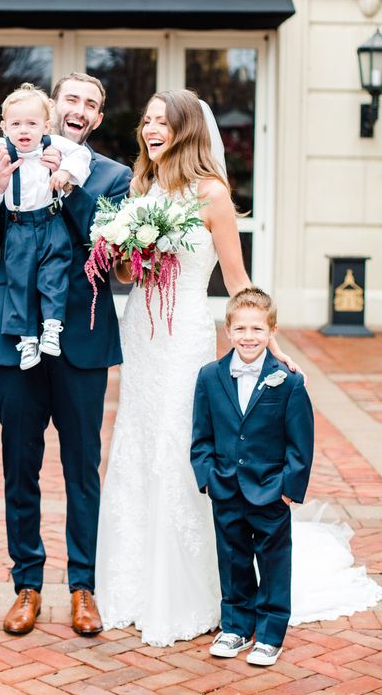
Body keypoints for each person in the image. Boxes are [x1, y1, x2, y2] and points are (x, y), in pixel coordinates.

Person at [95, 89, 382, 648]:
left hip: (183, 338)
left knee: (183, 446)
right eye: (146, 121)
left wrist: (267, 339)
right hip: (142, 334)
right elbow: (129, 277)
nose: (151, 129)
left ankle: (196, 591)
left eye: (163, 122)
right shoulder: (141, 189)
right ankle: (132, 584)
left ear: (185, 131)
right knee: (137, 443)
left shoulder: (211, 194)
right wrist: (124, 249)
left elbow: (234, 275)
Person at [0, 72, 131, 635]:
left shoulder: (113, 176)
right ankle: (27, 586)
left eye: (91, 103)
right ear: (53, 108)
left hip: (81, 345)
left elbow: (108, 256)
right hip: (16, 344)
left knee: (82, 471)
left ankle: (83, 587)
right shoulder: (7, 156)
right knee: (20, 469)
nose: (79, 109)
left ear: (98, 118)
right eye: (71, 100)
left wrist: (67, 188)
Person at [191, 288, 314, 666]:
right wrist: (207, 477)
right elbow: (201, 435)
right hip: (225, 487)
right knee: (232, 559)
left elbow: (301, 442)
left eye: (257, 329)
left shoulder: (288, 381)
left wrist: (288, 491)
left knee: (274, 562)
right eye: (241, 328)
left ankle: (271, 633)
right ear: (227, 329)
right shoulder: (210, 376)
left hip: (271, 491)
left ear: (271, 331)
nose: (248, 336)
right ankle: (236, 627)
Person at [0, 83, 91, 370]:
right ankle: (27, 340)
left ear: (46, 126)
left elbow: (81, 156)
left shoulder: (55, 146)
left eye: (32, 124)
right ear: (5, 127)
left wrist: (64, 172)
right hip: (19, 226)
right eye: (16, 123)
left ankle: (52, 328)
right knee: (19, 281)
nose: (24, 130)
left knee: (54, 274)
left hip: (50, 222)